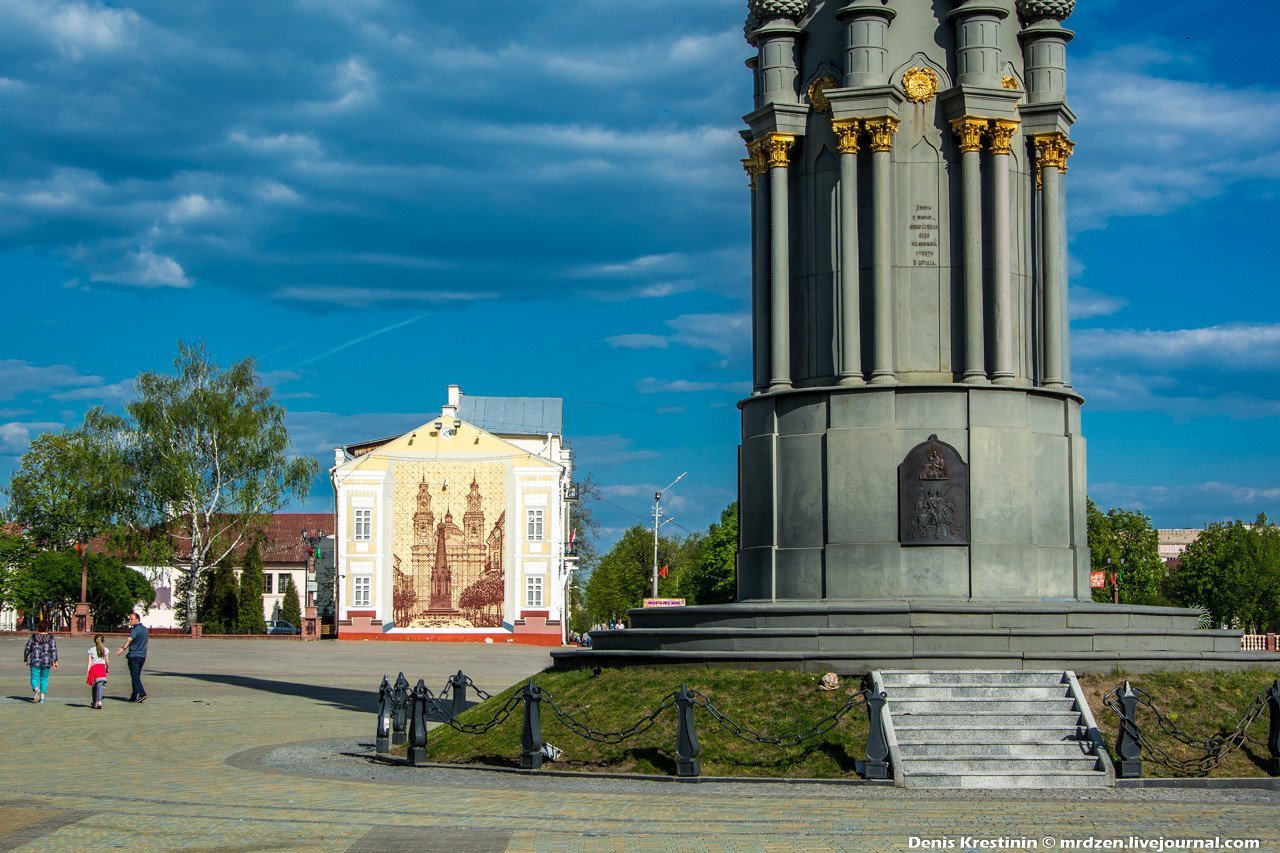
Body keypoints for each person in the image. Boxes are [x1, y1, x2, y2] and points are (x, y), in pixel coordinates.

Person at [115, 612, 148, 702]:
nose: (130, 621)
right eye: (129, 619)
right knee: (136, 676)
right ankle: (134, 696)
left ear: (137, 619)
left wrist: (122, 649)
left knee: (135, 677)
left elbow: (129, 640)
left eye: (131, 619)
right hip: (142, 656)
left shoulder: (135, 630)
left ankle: (142, 693)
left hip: (134, 656)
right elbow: (146, 644)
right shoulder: (145, 629)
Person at [23, 624, 58, 703]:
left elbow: (28, 647)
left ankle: (36, 689)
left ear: (38, 627)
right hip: (47, 661)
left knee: (34, 678)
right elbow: (53, 649)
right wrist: (55, 661)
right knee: (44, 679)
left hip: (35, 660)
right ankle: (42, 698)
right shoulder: (51, 637)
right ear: (47, 628)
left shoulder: (34, 637)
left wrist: (25, 657)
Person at [86, 634, 109, 709]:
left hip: (94, 669)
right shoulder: (105, 649)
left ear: (94, 641)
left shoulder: (91, 650)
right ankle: (99, 701)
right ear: (103, 641)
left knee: (94, 686)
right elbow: (107, 661)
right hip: (101, 668)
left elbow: (89, 662)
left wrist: (88, 672)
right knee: (100, 686)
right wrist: (107, 668)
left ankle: (94, 702)